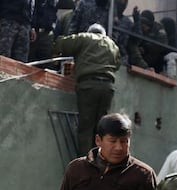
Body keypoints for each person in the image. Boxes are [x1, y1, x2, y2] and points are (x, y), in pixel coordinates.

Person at [53, 23, 121, 156]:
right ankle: (101, 160)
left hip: (88, 85)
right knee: (102, 128)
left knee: (86, 127)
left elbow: (62, 44)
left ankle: (85, 163)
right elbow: (117, 64)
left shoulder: (85, 37)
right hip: (107, 87)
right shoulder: (112, 45)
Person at [127, 7, 168, 73]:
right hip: (141, 59)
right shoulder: (139, 28)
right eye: (142, 25)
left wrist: (145, 48)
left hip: (155, 59)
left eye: (145, 26)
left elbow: (162, 44)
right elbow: (133, 41)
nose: (144, 28)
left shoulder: (158, 28)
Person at [29, 0, 58, 67]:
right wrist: (32, 27)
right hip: (35, 32)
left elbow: (54, 16)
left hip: (47, 34)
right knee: (30, 60)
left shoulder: (53, 2)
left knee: (45, 63)